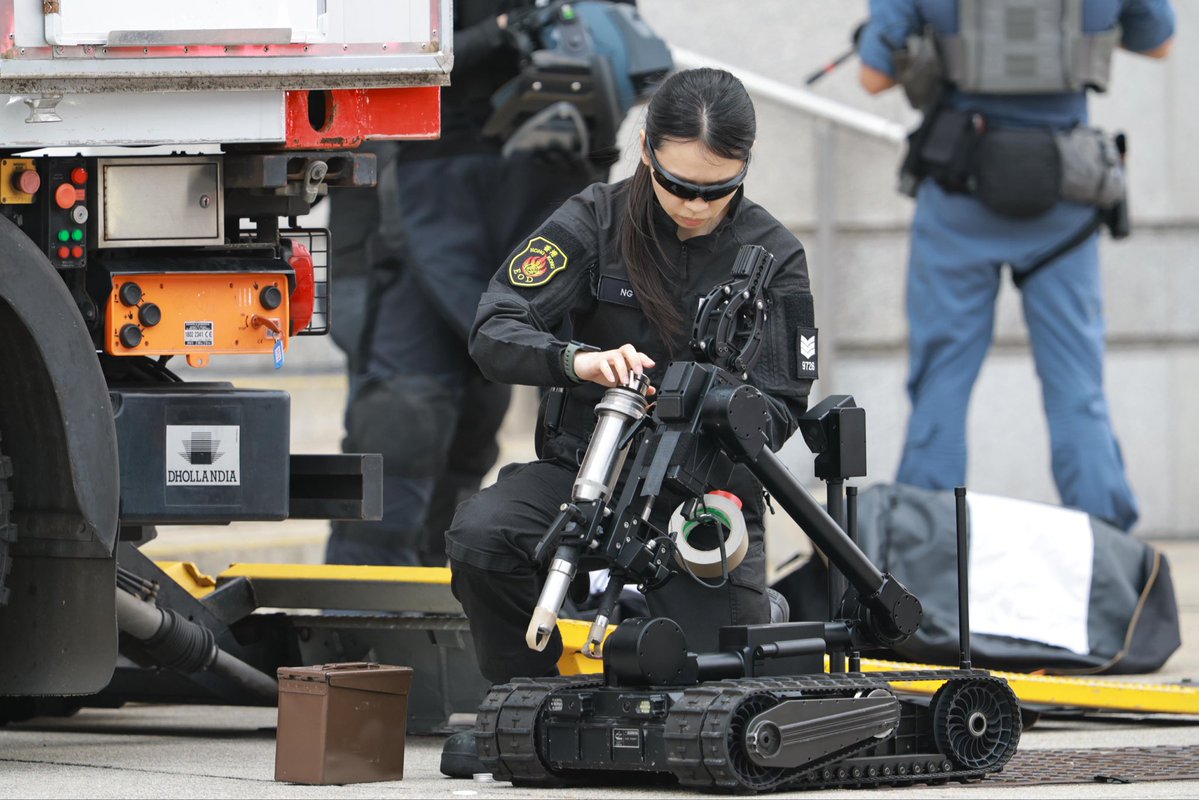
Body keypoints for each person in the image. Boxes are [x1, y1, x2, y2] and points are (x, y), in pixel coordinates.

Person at [439, 67, 819, 777]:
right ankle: (527, 705)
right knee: (483, 535)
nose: (695, 205)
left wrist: (708, 409)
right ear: (644, 149)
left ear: (746, 166)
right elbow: (494, 327)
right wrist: (576, 361)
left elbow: (780, 405)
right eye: (678, 185)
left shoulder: (774, 255)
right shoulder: (594, 219)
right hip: (582, 470)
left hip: (703, 501)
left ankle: (752, 608)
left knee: (712, 716)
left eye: (717, 188)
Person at [858, 0, 1175, 531]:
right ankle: (1106, 558)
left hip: (960, 196)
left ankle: (923, 558)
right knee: (1078, 388)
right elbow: (1159, 41)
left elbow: (873, 77)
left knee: (942, 384)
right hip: (1065, 201)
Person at [324, 0, 602, 567]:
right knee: (401, 428)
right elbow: (374, 57)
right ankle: (358, 625)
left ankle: (454, 602)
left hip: (523, 191)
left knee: (476, 430)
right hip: (407, 202)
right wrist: (495, 34)